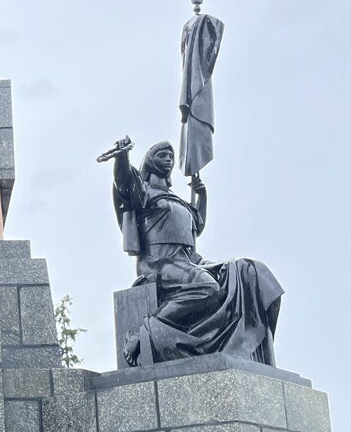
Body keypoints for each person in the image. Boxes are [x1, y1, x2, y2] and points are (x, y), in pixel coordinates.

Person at [109, 140, 282, 367]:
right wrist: (122, 157)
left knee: (252, 272)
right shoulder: (144, 192)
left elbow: (196, 226)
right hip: (158, 263)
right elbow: (124, 185)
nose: (169, 159)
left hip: (188, 261)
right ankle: (144, 331)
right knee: (208, 287)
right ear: (150, 161)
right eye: (162, 155)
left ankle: (246, 353)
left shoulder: (178, 200)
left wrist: (202, 197)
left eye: (171, 156)